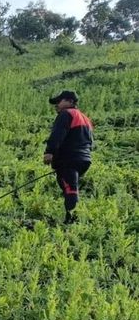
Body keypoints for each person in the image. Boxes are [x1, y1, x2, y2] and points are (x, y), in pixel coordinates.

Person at [44, 90, 94, 224]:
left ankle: (72, 221)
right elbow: (90, 142)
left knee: (70, 189)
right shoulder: (85, 118)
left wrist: (49, 152)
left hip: (69, 159)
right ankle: (73, 217)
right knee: (70, 187)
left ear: (70, 101)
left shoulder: (66, 114)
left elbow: (57, 134)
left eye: (59, 102)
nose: (57, 105)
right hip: (84, 160)